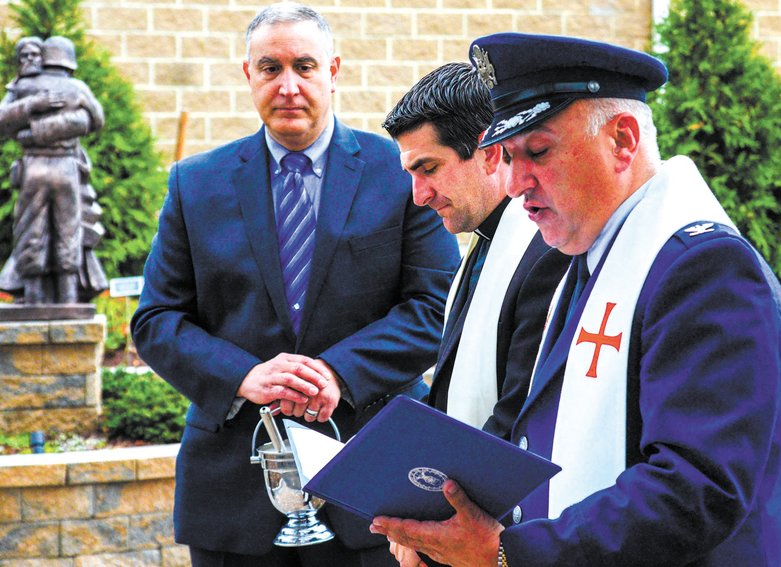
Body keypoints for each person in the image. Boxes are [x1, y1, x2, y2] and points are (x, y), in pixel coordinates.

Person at [370, 33, 781, 566]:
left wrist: (507, 554)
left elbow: (696, 489)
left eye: (539, 151)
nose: (517, 181)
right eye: (508, 155)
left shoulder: (707, 270)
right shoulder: (594, 256)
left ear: (622, 140)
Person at [130, 3, 458, 566]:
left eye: (304, 67)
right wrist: (246, 376)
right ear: (247, 74)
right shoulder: (195, 184)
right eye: (270, 68)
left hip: (374, 482)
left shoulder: (403, 172)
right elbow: (156, 320)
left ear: (333, 71)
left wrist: (337, 372)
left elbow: (438, 307)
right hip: (234, 489)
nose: (288, 86)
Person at [383, 62, 567, 440]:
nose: (419, 196)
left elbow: (521, 415)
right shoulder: (483, 236)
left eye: (429, 168)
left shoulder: (544, 251)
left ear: (488, 151)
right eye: (411, 175)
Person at [0, 36, 105, 304]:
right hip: (65, 166)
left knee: (30, 229)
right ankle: (68, 298)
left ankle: (34, 298)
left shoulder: (22, 86)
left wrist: (32, 129)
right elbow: (97, 119)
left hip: (34, 165)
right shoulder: (77, 87)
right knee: (68, 230)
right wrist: (77, 113)